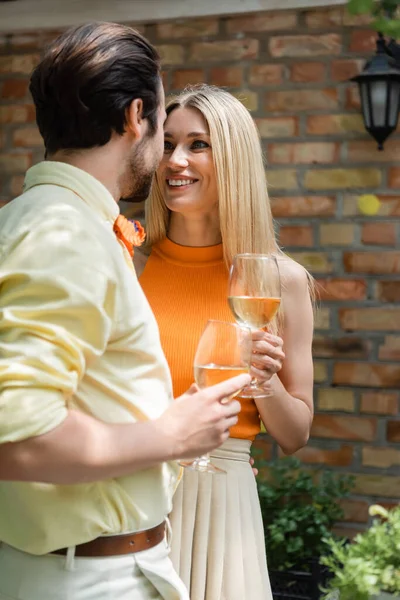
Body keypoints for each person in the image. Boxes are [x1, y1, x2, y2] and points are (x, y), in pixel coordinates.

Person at [0, 26, 250, 600]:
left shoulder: (39, 220)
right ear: (137, 115)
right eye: (164, 128)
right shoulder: (64, 234)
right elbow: (18, 436)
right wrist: (168, 435)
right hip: (88, 580)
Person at [136, 84, 314, 600]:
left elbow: (296, 432)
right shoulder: (131, 262)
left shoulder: (280, 280)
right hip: (135, 493)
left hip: (223, 504)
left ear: (233, 159)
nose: (175, 160)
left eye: (198, 144)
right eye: (167, 144)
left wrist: (265, 383)